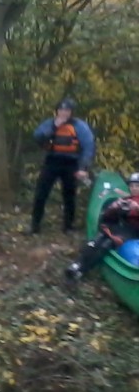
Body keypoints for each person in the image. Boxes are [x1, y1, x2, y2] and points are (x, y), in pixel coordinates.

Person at [28, 98, 95, 235]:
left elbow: (88, 146)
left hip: (71, 163)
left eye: (67, 110)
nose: (64, 113)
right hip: (52, 161)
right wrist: (54, 127)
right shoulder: (50, 123)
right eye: (61, 110)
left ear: (71, 112)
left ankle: (68, 226)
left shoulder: (80, 126)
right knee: (41, 193)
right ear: (57, 111)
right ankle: (35, 226)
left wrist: (82, 167)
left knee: (69, 195)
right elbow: (37, 137)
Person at [65, 172, 139, 282]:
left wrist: (137, 208)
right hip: (122, 229)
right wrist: (114, 208)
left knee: (107, 244)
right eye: (132, 186)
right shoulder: (127, 199)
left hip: (134, 233)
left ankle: (82, 270)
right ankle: (77, 265)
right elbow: (107, 217)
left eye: (137, 186)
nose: (134, 188)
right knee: (97, 240)